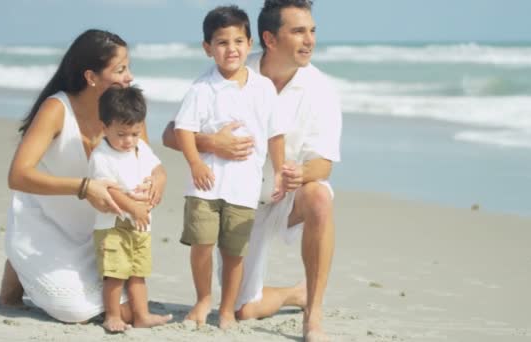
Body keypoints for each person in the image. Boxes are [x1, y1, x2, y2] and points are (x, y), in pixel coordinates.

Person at [162, 1, 342, 340]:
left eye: (312, 31)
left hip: (286, 195)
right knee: (244, 310)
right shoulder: (233, 67)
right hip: (239, 196)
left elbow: (325, 164)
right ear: (269, 39)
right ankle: (295, 293)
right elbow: (171, 133)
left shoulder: (322, 90)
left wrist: (296, 174)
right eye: (299, 31)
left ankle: (313, 312)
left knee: (319, 194)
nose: (310, 40)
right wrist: (213, 144)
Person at [0, 29, 167, 325]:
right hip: (44, 227)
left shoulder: (125, 112)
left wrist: (158, 181)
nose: (129, 76)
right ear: (91, 76)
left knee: (127, 312)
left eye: (128, 67)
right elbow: (17, 176)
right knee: (75, 311)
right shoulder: (56, 108)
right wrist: (85, 187)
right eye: (120, 69)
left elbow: (148, 162)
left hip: (100, 233)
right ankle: (18, 265)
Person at [173, 5, 286, 329]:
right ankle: (202, 300)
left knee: (234, 253)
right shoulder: (201, 88)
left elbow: (276, 133)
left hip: (244, 187)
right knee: (202, 246)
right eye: (222, 42)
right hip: (205, 184)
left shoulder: (263, 88)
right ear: (208, 48)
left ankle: (225, 309)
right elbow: (183, 129)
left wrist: (278, 171)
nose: (231, 49)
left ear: (250, 44)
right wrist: (195, 163)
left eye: (238, 41)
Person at [89, 86, 172, 332]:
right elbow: (110, 191)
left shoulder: (141, 148)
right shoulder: (101, 156)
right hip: (113, 225)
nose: (129, 141)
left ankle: (142, 315)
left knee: (138, 271)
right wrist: (133, 207)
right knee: (115, 272)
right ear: (104, 127)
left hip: (140, 224)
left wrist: (158, 183)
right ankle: (113, 315)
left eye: (135, 133)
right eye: (122, 134)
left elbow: (158, 169)